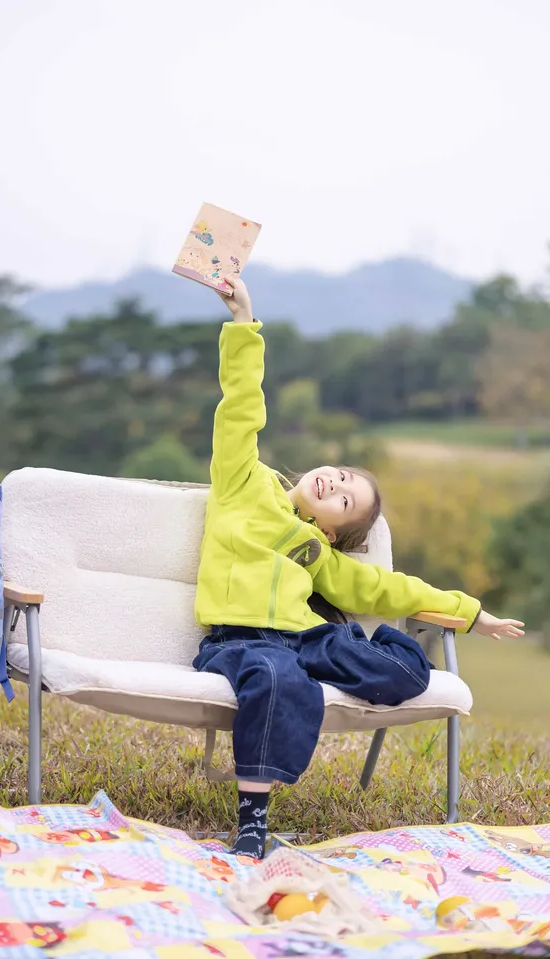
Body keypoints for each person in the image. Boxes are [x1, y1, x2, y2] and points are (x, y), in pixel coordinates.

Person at [193, 276, 524, 861]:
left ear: (329, 530)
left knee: (408, 666)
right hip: (241, 641)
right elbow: (240, 409)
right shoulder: (241, 484)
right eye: (342, 475)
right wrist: (244, 322)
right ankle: (253, 821)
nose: (335, 483)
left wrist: (471, 614)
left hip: (306, 637)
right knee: (278, 677)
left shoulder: (315, 553)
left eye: (345, 500)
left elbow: (384, 586)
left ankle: (331, 659)